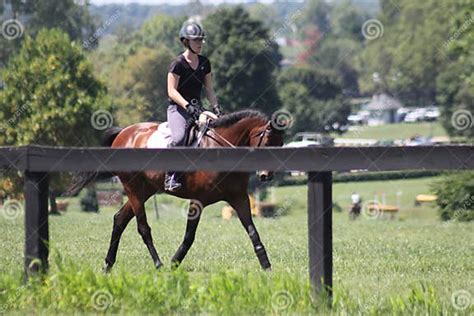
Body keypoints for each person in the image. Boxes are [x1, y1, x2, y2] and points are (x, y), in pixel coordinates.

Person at [165, 21, 222, 191]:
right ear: (186, 41)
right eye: (196, 40)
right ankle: (171, 175)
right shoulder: (177, 64)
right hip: (178, 109)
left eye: (201, 40)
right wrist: (187, 106)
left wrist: (217, 108)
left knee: (218, 135)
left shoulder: (205, 62)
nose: (200, 43)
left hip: (198, 110)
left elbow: (209, 89)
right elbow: (171, 91)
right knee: (180, 137)